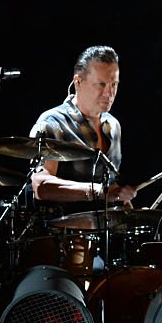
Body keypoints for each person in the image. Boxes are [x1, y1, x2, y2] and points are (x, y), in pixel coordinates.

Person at [30, 45, 137, 207]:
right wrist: (99, 192)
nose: (109, 93)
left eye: (114, 84)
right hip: (61, 229)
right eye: (101, 84)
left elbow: (112, 187)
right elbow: (41, 186)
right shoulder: (52, 122)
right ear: (78, 81)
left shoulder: (113, 125)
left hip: (100, 229)